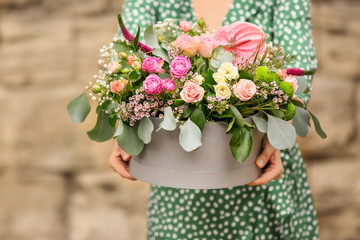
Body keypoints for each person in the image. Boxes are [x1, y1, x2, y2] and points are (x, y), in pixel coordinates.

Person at [109, 0, 319, 239]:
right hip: (179, 190)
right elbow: (127, 56)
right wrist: (125, 119)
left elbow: (299, 69)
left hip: (261, 174)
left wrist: (278, 134)